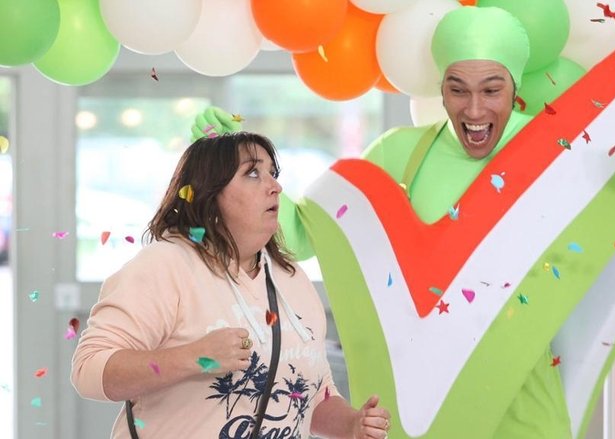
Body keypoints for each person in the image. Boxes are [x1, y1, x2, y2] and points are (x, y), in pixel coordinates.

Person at [206, 8, 615, 438]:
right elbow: (302, 232)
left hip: (526, 394)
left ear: (515, 87)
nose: (474, 109)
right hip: (425, 398)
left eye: (491, 90)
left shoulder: (562, 150)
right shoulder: (400, 155)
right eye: (458, 90)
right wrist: (227, 163)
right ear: (442, 88)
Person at [71, 125, 392, 439]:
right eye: (253, 173)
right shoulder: (166, 265)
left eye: (273, 173)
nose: (275, 187)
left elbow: (313, 395)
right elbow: (89, 370)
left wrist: (351, 425)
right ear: (210, 193)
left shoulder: (291, 278)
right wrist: (193, 358)